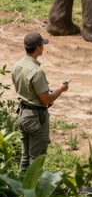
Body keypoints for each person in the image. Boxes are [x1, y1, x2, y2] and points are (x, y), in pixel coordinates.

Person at [11, 32, 69, 175]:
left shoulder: (17, 66)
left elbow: (26, 91)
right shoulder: (37, 72)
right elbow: (46, 100)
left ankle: (19, 190)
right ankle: (33, 193)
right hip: (35, 118)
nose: (43, 47)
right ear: (38, 47)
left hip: (22, 114)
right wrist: (60, 90)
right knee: (36, 160)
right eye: (42, 44)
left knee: (25, 158)